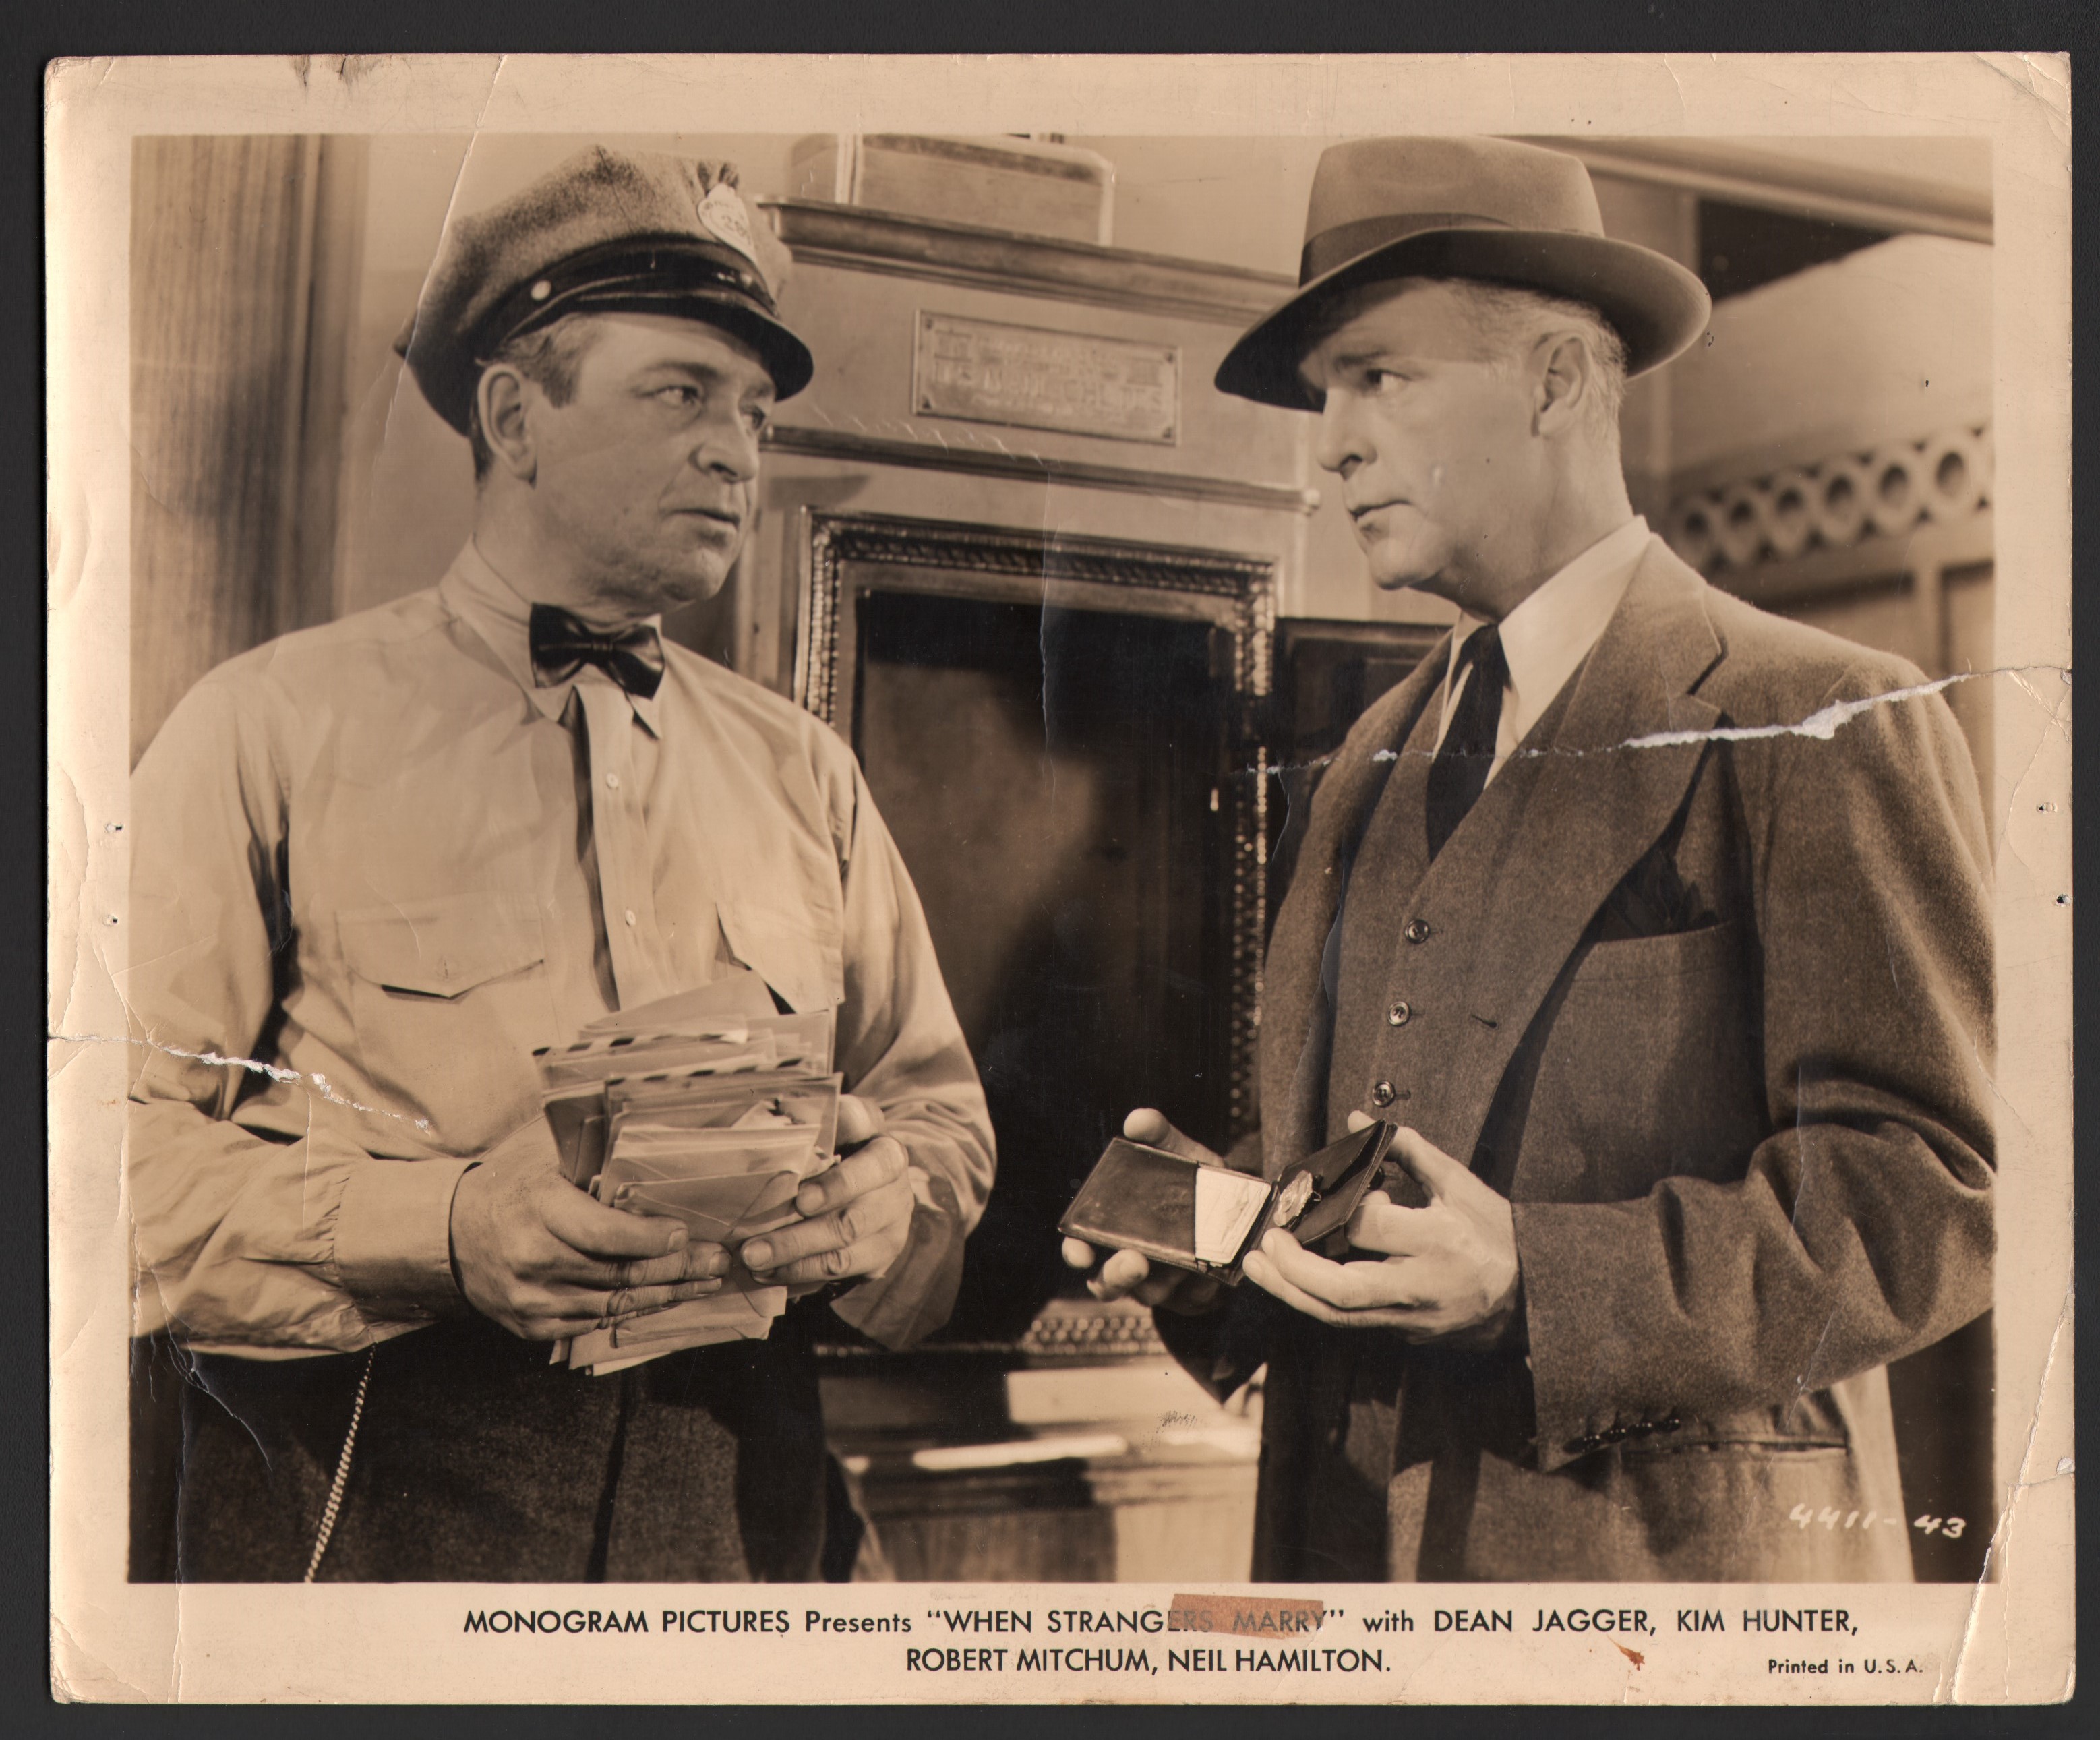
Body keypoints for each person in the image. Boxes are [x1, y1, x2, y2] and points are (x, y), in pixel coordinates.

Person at [1066, 136, 1993, 1581]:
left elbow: (1936, 1190)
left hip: (1664, 1604)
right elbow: (1380, 1143)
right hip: (1343, 1586)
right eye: (1326, 396)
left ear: (1557, 382)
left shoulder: (1819, 715)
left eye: (1379, 376)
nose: (1332, 443)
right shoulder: (1372, 751)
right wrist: (1231, 1244)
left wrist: (1541, 1283)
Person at [126, 146, 994, 1582]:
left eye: (755, 413)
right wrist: (448, 1227)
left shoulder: (806, 771)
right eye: (681, 394)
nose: (738, 451)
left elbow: (938, 1116)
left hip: (743, 1503)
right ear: (514, 417)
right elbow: (94, 1165)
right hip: (380, 1489)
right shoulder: (265, 727)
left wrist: (888, 1201)